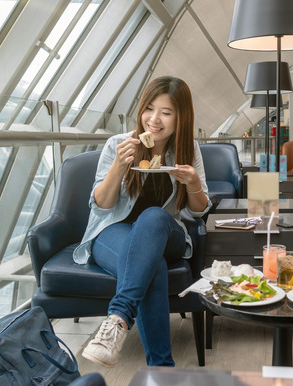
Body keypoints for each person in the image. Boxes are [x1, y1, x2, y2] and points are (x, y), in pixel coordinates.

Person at [73, 76, 210, 368]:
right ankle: (161, 369)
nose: (154, 119)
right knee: (151, 265)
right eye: (149, 108)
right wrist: (118, 167)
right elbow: (101, 206)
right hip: (112, 231)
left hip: (165, 232)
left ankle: (118, 316)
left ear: (180, 117)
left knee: (153, 216)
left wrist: (194, 183)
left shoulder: (188, 149)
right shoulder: (118, 144)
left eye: (166, 112)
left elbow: (198, 211)